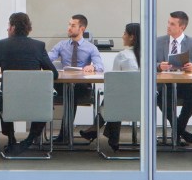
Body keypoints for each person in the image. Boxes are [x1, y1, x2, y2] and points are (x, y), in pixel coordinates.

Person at [0, 12, 59, 154]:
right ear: (28, 28)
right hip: (35, 101)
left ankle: (11, 139)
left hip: (10, 101)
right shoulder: (38, 46)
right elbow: (53, 74)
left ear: (12, 27)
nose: (7, 29)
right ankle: (28, 141)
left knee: (2, 97)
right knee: (45, 100)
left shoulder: (0, 45)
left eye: (8, 26)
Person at [80, 23, 140, 151]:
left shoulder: (123, 55)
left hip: (122, 103)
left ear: (132, 37)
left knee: (112, 96)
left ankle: (101, 132)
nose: (122, 36)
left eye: (124, 33)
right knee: (116, 96)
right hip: (144, 102)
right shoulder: (150, 56)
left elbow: (114, 81)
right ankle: (106, 135)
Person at [47, 14, 104, 142]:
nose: (69, 28)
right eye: (69, 24)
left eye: (73, 25)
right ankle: (64, 135)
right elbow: (47, 59)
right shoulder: (61, 45)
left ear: (82, 29)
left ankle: (64, 135)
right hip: (62, 86)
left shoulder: (91, 48)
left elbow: (100, 66)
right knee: (68, 91)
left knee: (73, 91)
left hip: (82, 87)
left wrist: (92, 67)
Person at [157, 11, 192, 145]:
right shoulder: (158, 41)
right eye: (168, 22)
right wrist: (159, 65)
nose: (168, 26)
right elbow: (147, 62)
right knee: (161, 98)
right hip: (166, 83)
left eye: (172, 24)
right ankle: (181, 131)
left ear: (181, 27)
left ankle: (178, 130)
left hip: (187, 83)